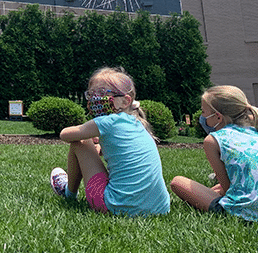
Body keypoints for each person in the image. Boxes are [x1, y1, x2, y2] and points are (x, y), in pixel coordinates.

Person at [171, 85, 258, 224]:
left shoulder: (213, 140)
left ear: (217, 117)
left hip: (252, 216)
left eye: (204, 112)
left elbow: (227, 188)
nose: (202, 117)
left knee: (178, 182)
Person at [49, 67, 170, 216]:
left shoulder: (107, 121)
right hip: (159, 208)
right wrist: (98, 146)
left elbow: (65, 134)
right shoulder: (137, 123)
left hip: (115, 206)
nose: (95, 99)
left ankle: (69, 192)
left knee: (79, 142)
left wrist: (89, 139)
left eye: (101, 93)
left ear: (125, 101)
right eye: (92, 94)